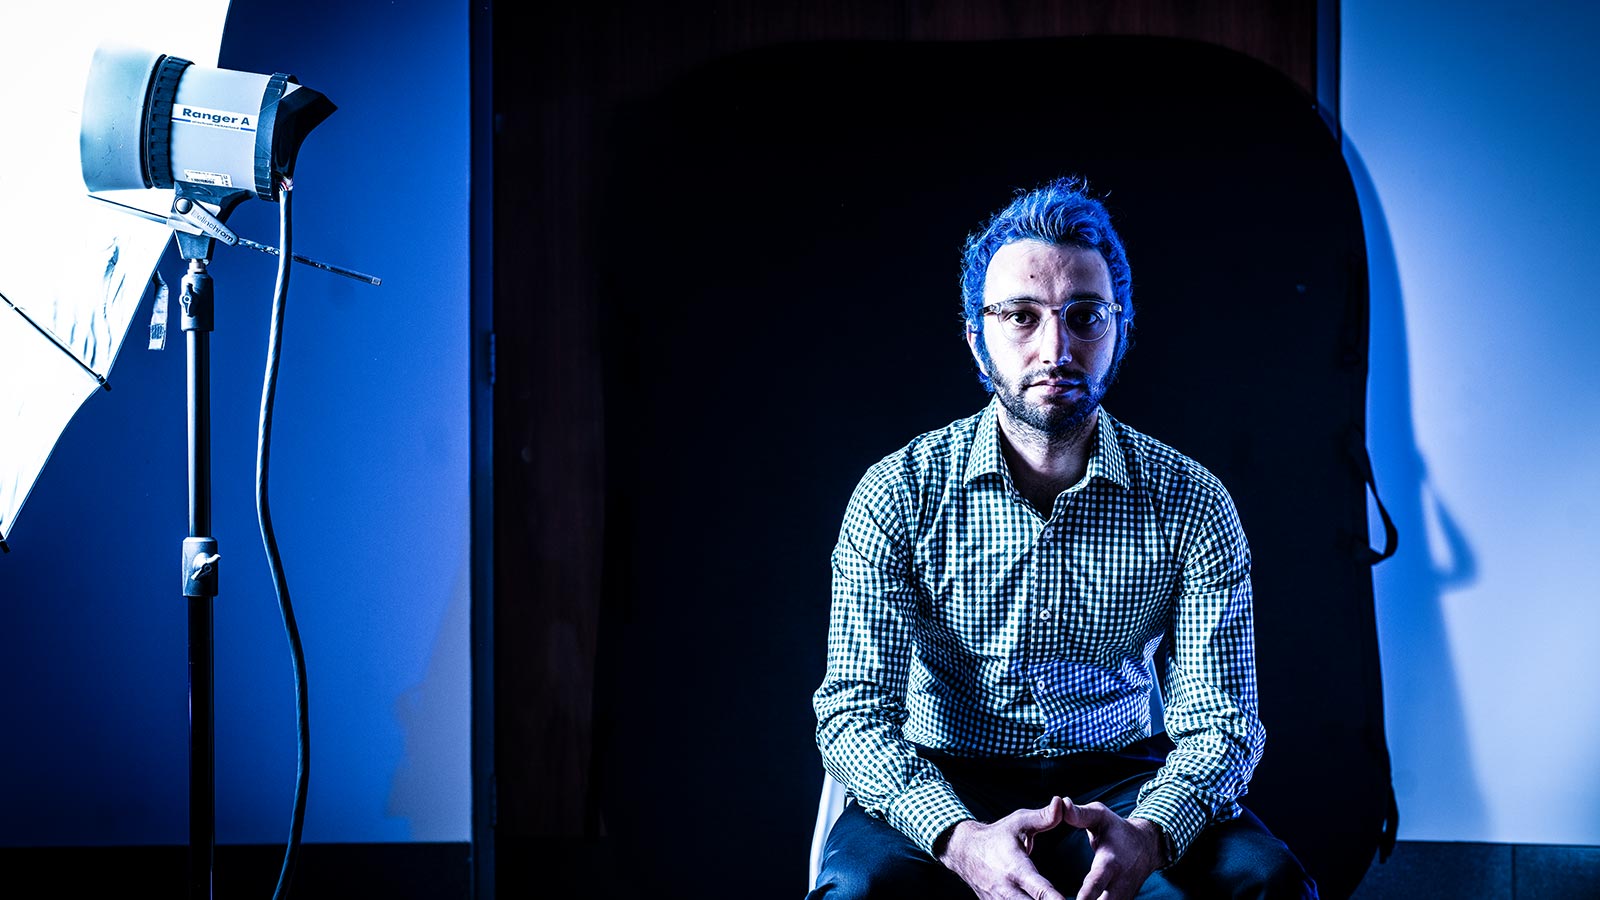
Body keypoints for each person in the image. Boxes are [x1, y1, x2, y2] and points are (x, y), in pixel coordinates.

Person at [809, 178, 1316, 900]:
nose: (1057, 346)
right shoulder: (898, 493)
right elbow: (855, 714)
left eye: (1085, 316)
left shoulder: (1192, 502)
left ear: (1121, 330)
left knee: (1267, 884)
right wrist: (957, 837)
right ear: (976, 337)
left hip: (1126, 780)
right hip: (948, 774)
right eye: (1021, 316)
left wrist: (1152, 833)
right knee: (859, 892)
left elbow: (1222, 723)